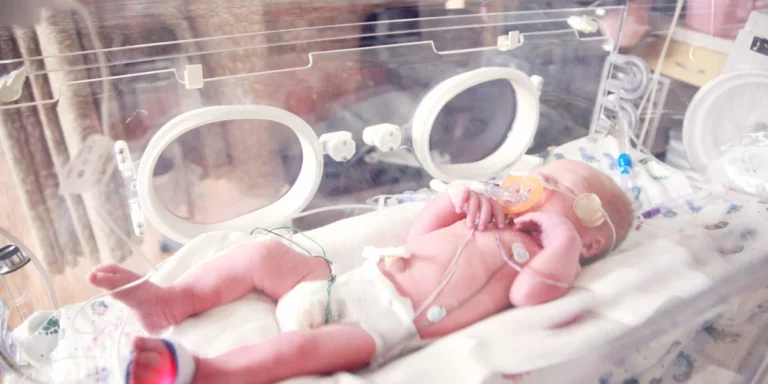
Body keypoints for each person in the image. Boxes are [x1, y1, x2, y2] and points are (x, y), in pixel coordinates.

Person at [89, 159, 634, 384]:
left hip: (379, 328)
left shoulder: (536, 258)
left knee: (299, 352)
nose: (531, 187)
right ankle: (175, 300)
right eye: (534, 175)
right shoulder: (488, 219)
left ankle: (205, 372)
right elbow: (420, 238)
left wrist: (557, 240)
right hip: (348, 283)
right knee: (263, 257)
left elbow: (532, 295)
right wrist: (458, 197)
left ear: (589, 236)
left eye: (553, 185)